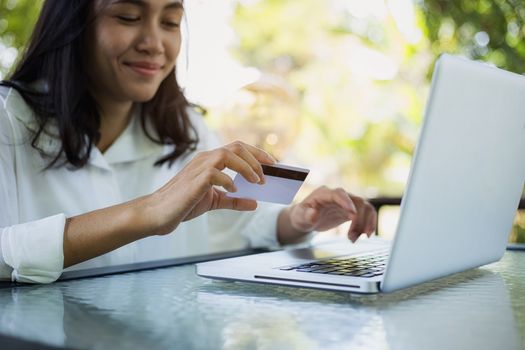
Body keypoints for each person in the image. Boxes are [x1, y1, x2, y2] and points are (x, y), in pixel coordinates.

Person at [0, 0, 377, 283]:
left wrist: (297, 220)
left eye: (171, 22)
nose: (154, 42)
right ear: (73, 23)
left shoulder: (186, 128)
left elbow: (231, 225)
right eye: (128, 17)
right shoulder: (8, 120)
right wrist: (146, 212)